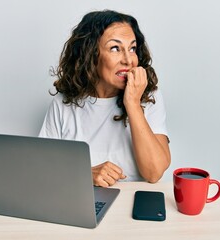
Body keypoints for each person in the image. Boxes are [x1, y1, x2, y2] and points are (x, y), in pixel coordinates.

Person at [39, 10, 171, 187]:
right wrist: (83, 174)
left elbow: (154, 173)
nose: (128, 60)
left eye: (132, 48)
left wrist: (132, 103)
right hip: (82, 201)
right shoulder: (63, 103)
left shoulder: (148, 97)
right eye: (115, 48)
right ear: (90, 55)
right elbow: (42, 169)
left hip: (133, 203)